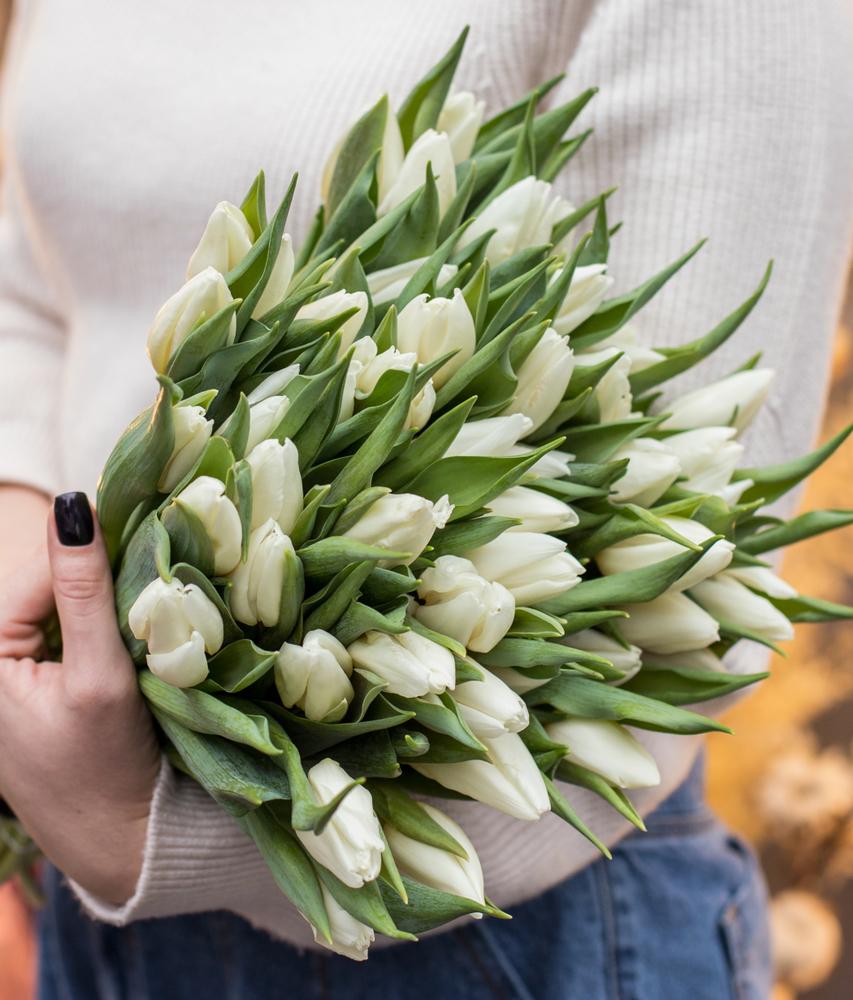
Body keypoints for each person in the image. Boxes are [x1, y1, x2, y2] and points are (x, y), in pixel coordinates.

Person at [1, 2, 852, 997]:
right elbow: (34, 270)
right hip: (87, 887)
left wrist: (143, 835)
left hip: (494, 935)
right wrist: (24, 556)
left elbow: (694, 536)